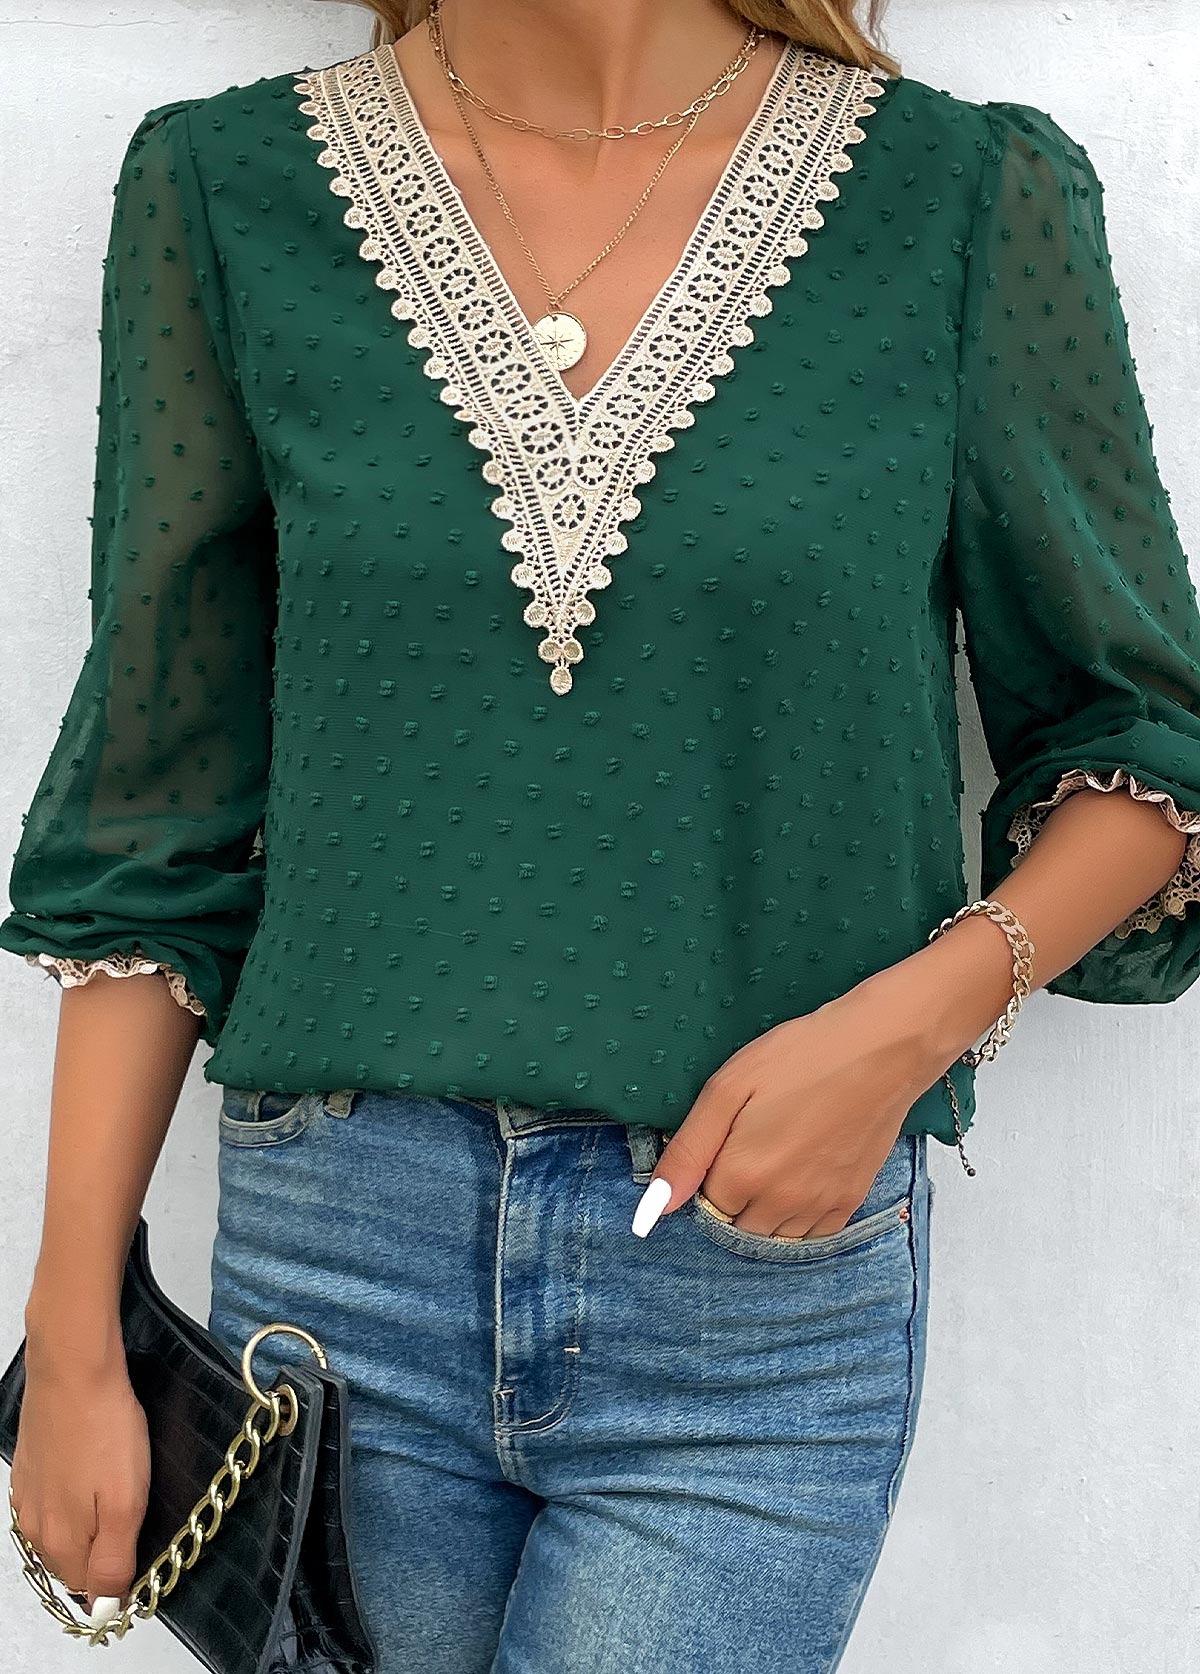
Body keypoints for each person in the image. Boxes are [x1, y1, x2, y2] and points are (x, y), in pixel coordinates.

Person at [4, 0, 1199, 1668]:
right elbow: (156, 801)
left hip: (757, 1290)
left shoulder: (960, 198)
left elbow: (1144, 741)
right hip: (339, 1287)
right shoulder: (226, 189)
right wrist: (73, 1327)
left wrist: (907, 1027)